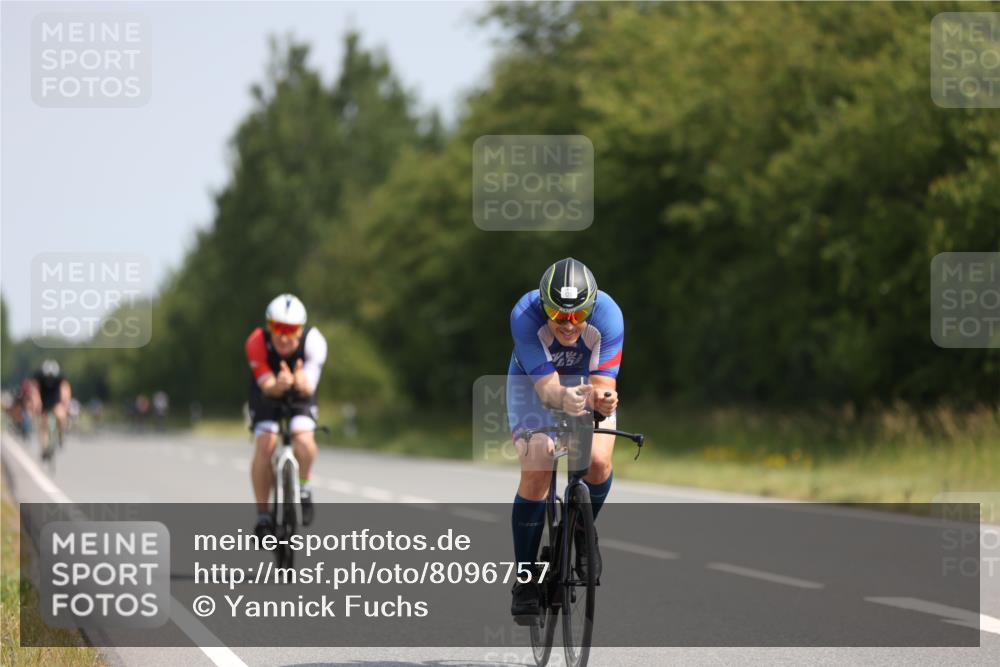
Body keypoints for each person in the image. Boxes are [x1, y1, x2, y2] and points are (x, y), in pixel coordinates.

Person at [506, 258, 623, 619]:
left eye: (578, 314)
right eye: (558, 315)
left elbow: (602, 386)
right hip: (534, 387)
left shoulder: (609, 315)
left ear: (592, 306)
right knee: (539, 459)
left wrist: (603, 401)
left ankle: (582, 530)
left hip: (584, 386)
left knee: (598, 461)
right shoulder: (525, 315)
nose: (569, 324)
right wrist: (565, 400)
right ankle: (526, 577)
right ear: (545, 306)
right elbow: (548, 391)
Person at [245, 294, 328, 538]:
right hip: (267, 394)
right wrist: (278, 384)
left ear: (300, 330)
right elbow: (266, 384)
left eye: (290, 330)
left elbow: (309, 386)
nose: (283, 336)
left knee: (304, 440)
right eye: (277, 327)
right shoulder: (256, 341)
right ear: (268, 326)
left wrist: (301, 382)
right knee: (265, 444)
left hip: (300, 395)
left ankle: (303, 486)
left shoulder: (315, 341)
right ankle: (263, 515)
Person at [32, 359, 72, 456]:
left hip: (55, 401)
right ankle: (45, 448)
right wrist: (36, 402)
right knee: (44, 424)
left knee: (60, 416)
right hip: (44, 402)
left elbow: (65, 389)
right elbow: (34, 390)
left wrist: (66, 403)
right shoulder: (39, 377)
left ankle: (61, 434)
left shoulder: (60, 377)